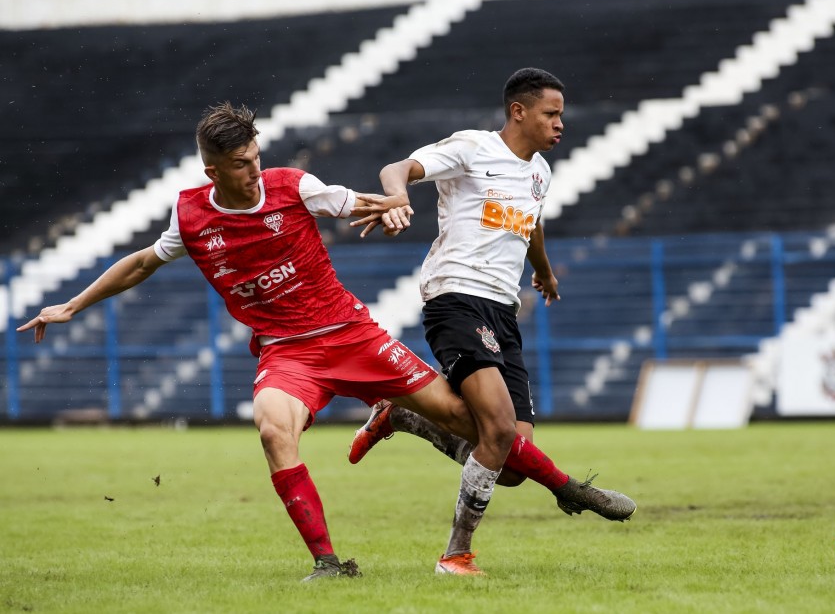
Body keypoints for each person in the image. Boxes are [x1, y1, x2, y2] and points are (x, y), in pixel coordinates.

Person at [15, 101, 576, 580]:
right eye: (241, 165)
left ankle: (418, 424)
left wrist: (389, 205)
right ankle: (329, 563)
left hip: (353, 335)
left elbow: (348, 200)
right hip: (288, 352)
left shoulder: (292, 185)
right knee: (271, 428)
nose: (255, 171)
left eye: (256, 157)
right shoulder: (190, 215)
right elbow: (141, 263)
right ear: (212, 169)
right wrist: (71, 304)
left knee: (479, 429)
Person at [349, 68, 637, 522]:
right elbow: (397, 167)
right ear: (518, 111)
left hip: (503, 309)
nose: (561, 123)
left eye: (562, 114)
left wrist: (543, 273)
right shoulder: (473, 148)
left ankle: (406, 415)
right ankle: (457, 554)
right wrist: (397, 196)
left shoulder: (540, 171)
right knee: (500, 431)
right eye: (551, 113)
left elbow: (533, 223)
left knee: (512, 466)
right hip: (456, 295)